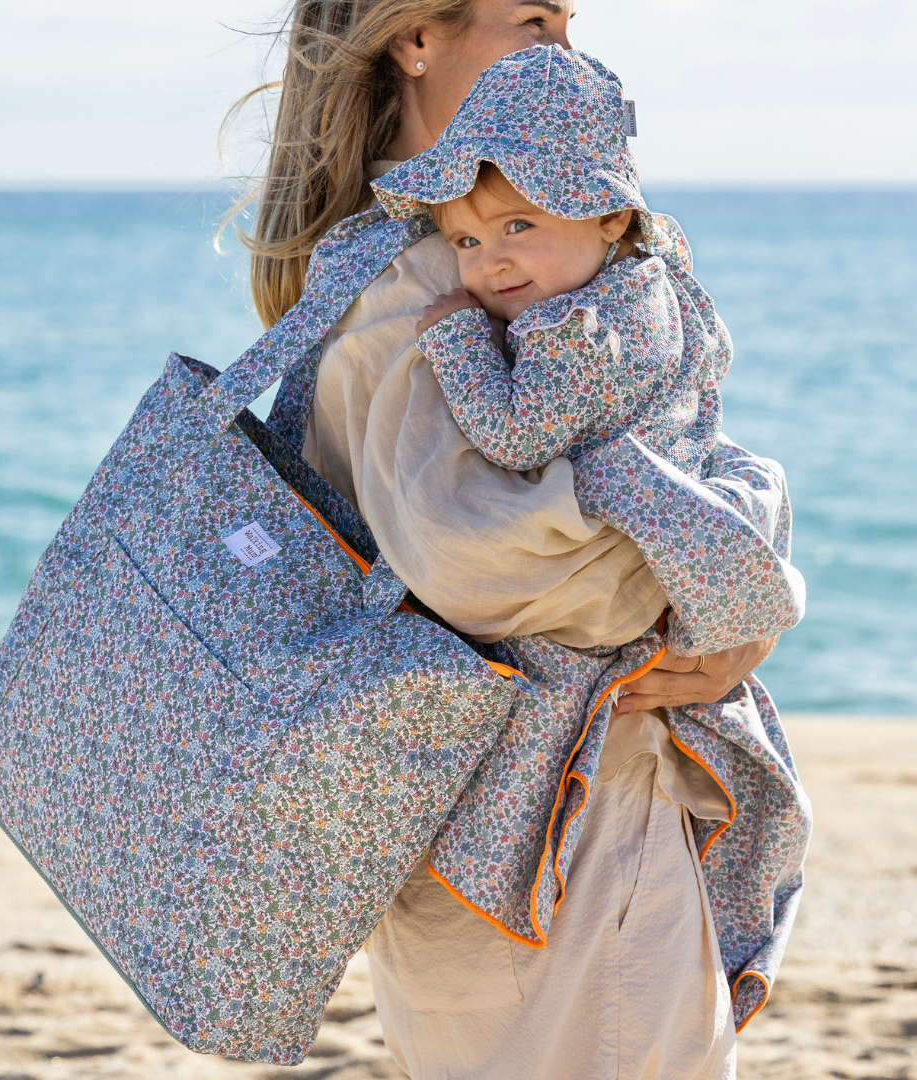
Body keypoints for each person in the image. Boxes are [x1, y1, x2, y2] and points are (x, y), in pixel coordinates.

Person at [227, 2, 810, 1077]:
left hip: (489, 832)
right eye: (536, 19)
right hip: (556, 833)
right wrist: (716, 578)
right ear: (415, 37)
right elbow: (479, 564)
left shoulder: (426, 259)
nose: (567, 53)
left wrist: (731, 533)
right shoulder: (424, 280)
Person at [374, 48, 726, 478]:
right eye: (467, 241)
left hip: (621, 511)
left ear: (609, 216)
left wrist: (457, 340)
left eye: (518, 226)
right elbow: (718, 352)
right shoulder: (658, 276)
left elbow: (514, 440)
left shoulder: (579, 329)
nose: (492, 264)